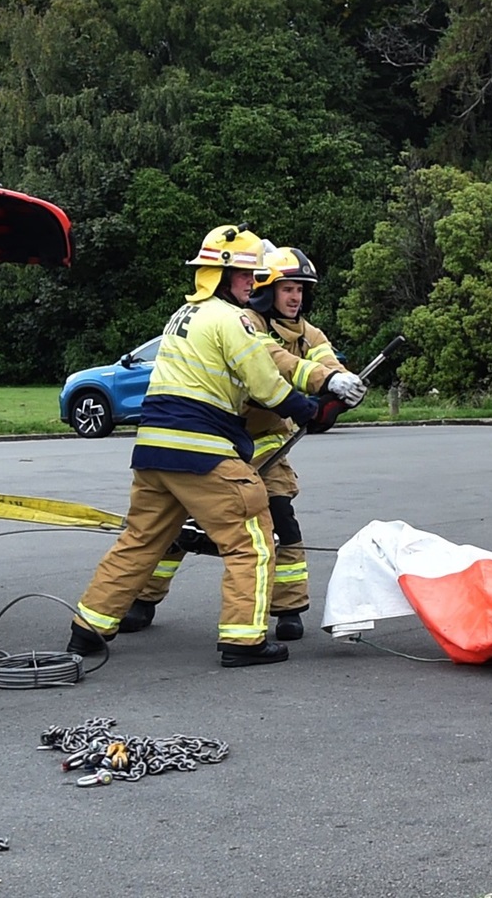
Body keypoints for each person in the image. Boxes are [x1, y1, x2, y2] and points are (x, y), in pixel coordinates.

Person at [66, 226, 347, 667]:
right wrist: (312, 409)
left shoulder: (182, 314)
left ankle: (87, 631)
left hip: (153, 450)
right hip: (202, 450)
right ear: (220, 274)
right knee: (253, 540)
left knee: (140, 540)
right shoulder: (231, 320)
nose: (253, 285)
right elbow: (266, 386)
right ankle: (243, 642)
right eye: (246, 276)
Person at [121, 244, 358, 641]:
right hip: (221, 441)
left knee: (282, 519)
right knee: (179, 523)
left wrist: (343, 386)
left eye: (301, 289)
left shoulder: (308, 332)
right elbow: (279, 366)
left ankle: (288, 608)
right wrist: (322, 385)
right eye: (287, 288)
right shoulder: (246, 321)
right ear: (266, 289)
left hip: (267, 442)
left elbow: (325, 360)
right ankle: (144, 599)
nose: (296, 297)